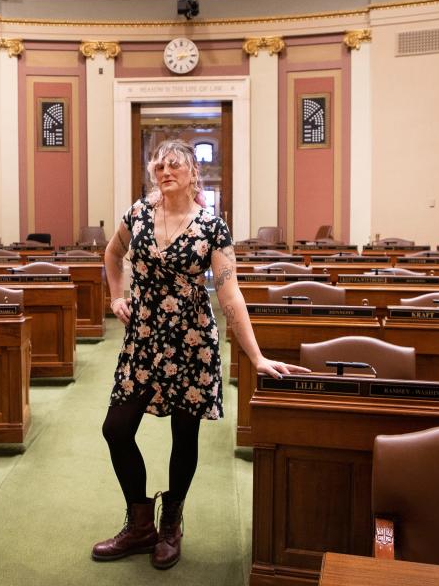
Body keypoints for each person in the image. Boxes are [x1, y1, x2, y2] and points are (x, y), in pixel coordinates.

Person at [92, 138, 308, 569]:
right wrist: (117, 296)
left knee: (183, 435)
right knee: (116, 429)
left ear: (194, 174)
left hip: (192, 342)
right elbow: (112, 254)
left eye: (175, 166)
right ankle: (139, 525)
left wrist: (256, 356)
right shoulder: (136, 215)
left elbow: (230, 295)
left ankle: (170, 522)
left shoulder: (212, 227)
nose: (165, 172)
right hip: (144, 340)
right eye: (159, 166)